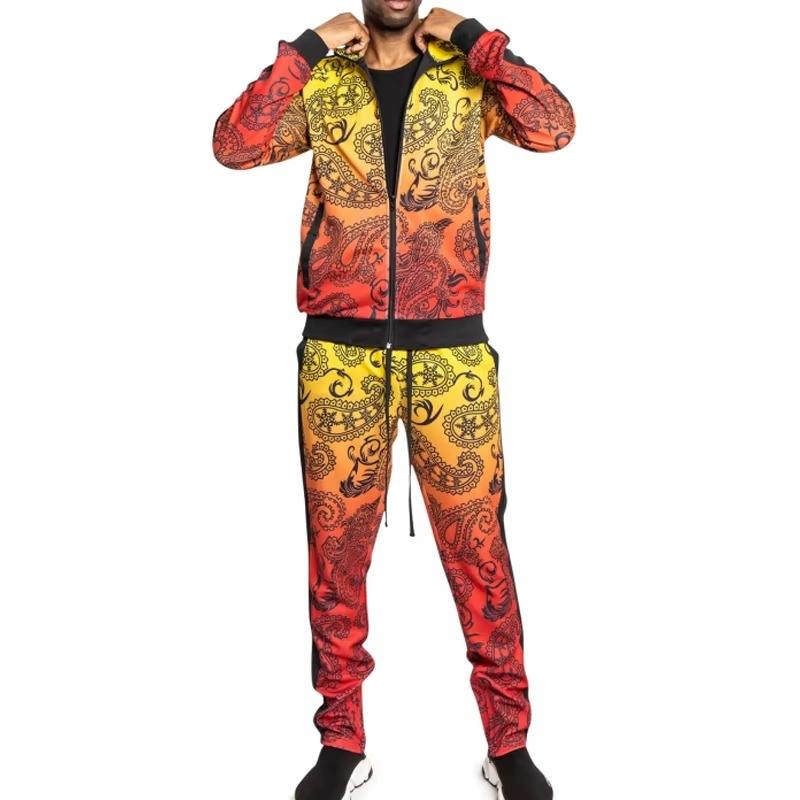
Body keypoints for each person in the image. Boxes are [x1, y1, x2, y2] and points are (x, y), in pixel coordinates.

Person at [212, 2, 574, 797]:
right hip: (339, 355)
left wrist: (475, 38)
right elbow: (233, 144)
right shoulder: (325, 83)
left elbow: (554, 127)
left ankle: (508, 744)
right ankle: (342, 742)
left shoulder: (466, 79)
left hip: (452, 355)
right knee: (335, 556)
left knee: (480, 554)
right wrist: (307, 49)